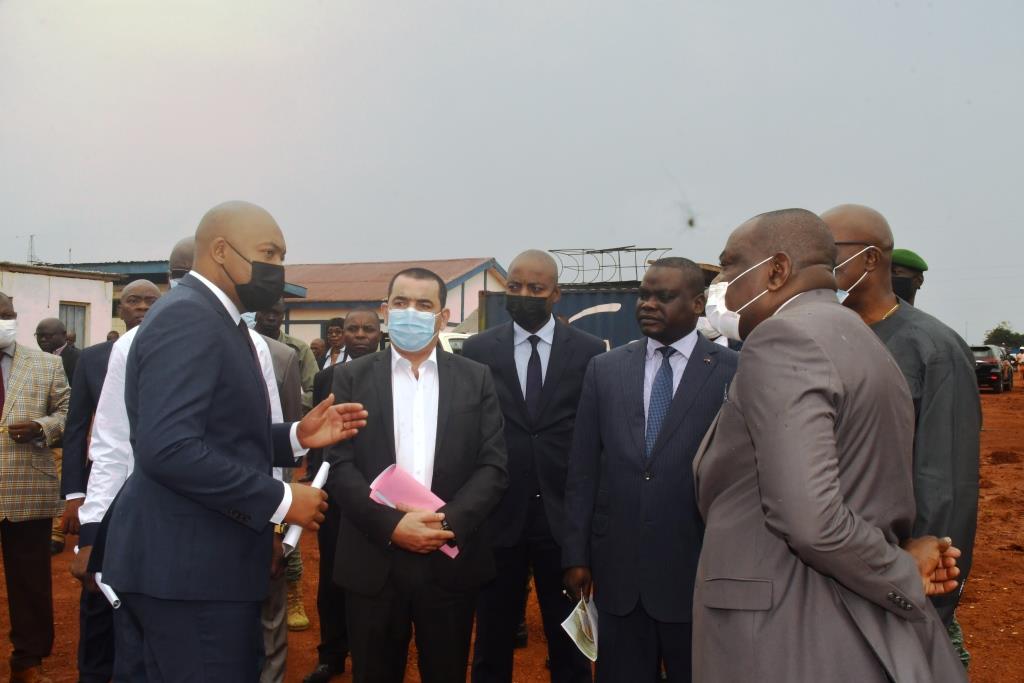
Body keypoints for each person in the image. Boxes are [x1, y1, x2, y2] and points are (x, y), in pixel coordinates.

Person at [96, 201, 368, 682]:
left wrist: (294, 438)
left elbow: (212, 432)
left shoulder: (217, 319)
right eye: (269, 253)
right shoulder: (190, 318)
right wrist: (281, 498)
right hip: (188, 573)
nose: (279, 269)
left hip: (190, 566)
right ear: (221, 251)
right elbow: (169, 448)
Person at [692, 208, 965, 682]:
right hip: (845, 621)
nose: (721, 284)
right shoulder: (860, 337)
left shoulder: (782, 339)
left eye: (731, 265)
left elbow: (810, 519)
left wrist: (900, 567)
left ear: (776, 270)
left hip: (784, 633)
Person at [325, 267, 508, 683]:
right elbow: (339, 465)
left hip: (448, 562)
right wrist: (393, 526)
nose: (412, 312)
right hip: (373, 560)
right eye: (402, 302)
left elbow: (493, 466)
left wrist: (443, 525)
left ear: (442, 317)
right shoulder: (351, 377)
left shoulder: (475, 378)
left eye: (424, 305)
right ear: (385, 310)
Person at [562, 257, 736, 683]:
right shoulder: (606, 368)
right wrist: (576, 554)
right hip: (619, 574)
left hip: (697, 572)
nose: (648, 304)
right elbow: (583, 468)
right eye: (644, 295)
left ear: (697, 304)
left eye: (664, 297)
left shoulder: (733, 371)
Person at [823, 204, 981, 668]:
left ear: (870, 260)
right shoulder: (827, 336)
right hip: (835, 568)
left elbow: (946, 484)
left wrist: (924, 591)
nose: (818, 264)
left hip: (903, 582)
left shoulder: (932, 348)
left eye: (830, 252)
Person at [464, 250, 603, 683]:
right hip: (497, 517)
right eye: (516, 287)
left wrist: (585, 533)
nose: (524, 295)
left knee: (569, 641)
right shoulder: (478, 349)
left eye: (536, 289)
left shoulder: (589, 351)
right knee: (492, 636)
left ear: (555, 295)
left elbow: (592, 439)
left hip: (561, 519)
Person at [61, 278, 160, 683]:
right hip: (108, 495)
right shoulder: (97, 357)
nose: (140, 307)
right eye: (132, 300)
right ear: (120, 310)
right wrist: (77, 498)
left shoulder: (175, 352)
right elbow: (81, 430)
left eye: (149, 300)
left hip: (157, 501)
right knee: (98, 598)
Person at [303, 309, 382, 683]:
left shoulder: (396, 375)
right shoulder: (327, 378)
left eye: (369, 328)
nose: (361, 334)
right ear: (341, 335)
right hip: (337, 491)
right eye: (353, 328)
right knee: (333, 575)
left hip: (386, 495)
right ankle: (331, 654)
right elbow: (320, 440)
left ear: (380, 332)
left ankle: (373, 654)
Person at [0, 291, 70, 683]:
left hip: (26, 486)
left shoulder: (44, 365)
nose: (3, 322)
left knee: (30, 583)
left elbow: (67, 412)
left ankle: (28, 663)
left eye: (7, 315)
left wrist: (43, 428)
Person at [35, 317, 81, 554]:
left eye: (49, 335)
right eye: (40, 336)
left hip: (67, 436)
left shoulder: (77, 359)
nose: (44, 340)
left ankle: (56, 534)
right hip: (37, 435)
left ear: (64, 334)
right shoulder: (34, 361)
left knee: (59, 485)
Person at [256, 298, 318, 410]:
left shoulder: (299, 349)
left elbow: (316, 389)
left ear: (283, 316)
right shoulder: (241, 342)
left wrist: (286, 403)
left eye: (276, 313)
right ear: (256, 313)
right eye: (266, 312)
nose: (271, 318)